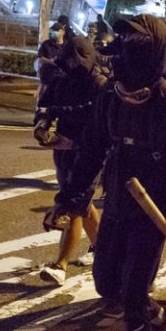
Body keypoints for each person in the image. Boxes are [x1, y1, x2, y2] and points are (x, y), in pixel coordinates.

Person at [44, 14, 166, 331]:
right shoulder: (110, 97)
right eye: (124, 39)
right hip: (116, 198)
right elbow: (92, 150)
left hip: (152, 209)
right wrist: (70, 197)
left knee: (132, 294)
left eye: (136, 41)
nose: (125, 48)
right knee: (106, 286)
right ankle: (160, 313)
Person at [34, 36, 106, 285]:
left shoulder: (99, 83)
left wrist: (57, 113)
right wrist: (42, 126)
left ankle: (60, 265)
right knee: (82, 204)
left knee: (75, 203)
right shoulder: (60, 79)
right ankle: (103, 250)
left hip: (89, 151)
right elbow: (44, 107)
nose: (73, 65)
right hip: (63, 149)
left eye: (78, 60)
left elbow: (93, 114)